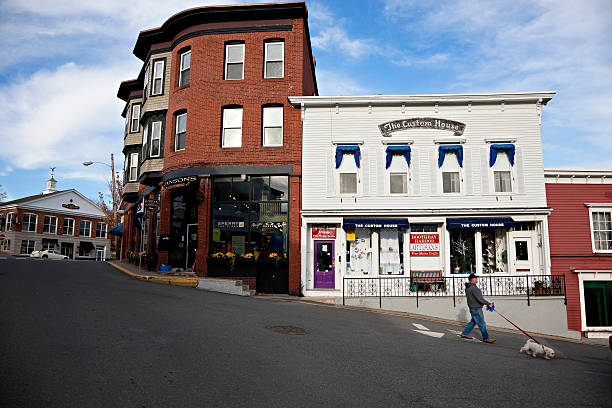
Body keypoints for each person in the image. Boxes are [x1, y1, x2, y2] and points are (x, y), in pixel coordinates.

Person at [460, 273, 496, 343]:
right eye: (476, 278)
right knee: (481, 323)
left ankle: (464, 333)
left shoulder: (468, 287)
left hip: (472, 308)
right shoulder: (474, 288)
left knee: (473, 322)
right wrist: (489, 304)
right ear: (472, 279)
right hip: (476, 308)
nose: (477, 279)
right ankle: (486, 338)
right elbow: (480, 299)